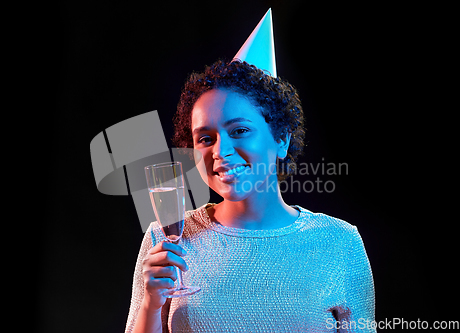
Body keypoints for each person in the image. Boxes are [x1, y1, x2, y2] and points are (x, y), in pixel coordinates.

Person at [125, 10, 375, 333]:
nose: (220, 152)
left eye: (240, 130)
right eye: (205, 138)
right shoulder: (165, 242)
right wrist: (151, 303)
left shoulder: (341, 244)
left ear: (281, 138)